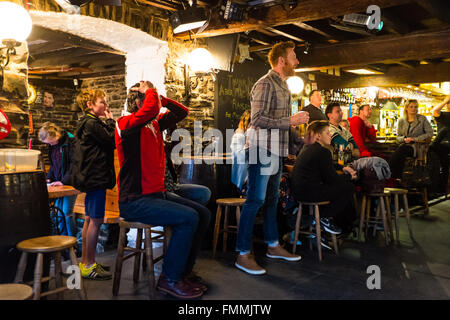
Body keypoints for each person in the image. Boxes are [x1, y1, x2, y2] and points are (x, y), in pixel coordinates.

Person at [116, 81, 210, 299]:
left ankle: (182, 272)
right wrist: (150, 90)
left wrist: (162, 100)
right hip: (135, 200)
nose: (155, 103)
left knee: (203, 214)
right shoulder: (126, 124)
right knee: (189, 218)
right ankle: (170, 278)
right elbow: (149, 109)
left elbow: (181, 111)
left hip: (155, 195)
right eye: (151, 100)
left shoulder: (153, 124)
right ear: (140, 102)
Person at [235, 41, 309, 276]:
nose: (297, 61)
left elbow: (281, 124)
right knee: (255, 200)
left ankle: (273, 245)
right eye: (293, 56)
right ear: (281, 61)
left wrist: (301, 141)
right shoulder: (265, 84)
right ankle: (243, 253)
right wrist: (291, 121)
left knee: (271, 200)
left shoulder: (284, 87)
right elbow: (256, 119)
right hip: (260, 150)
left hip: (275, 151)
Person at [72, 89, 116, 280]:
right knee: (95, 220)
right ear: (89, 104)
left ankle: (85, 263)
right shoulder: (92, 123)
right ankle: (89, 265)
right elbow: (111, 140)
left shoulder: (85, 122)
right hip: (96, 177)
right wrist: (111, 121)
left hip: (90, 177)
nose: (105, 105)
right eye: (101, 102)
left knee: (89, 218)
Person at [291, 120, 357, 235]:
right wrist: (350, 177)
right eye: (327, 133)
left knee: (342, 187)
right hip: (310, 193)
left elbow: (327, 164)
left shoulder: (307, 148)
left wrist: (342, 168)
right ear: (318, 136)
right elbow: (332, 179)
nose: (330, 135)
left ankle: (324, 222)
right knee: (348, 187)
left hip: (298, 193)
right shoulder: (322, 151)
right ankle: (323, 218)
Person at [39, 122, 76, 236]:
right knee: (58, 214)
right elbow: (54, 164)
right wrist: (49, 177)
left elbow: (74, 164)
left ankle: (72, 242)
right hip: (58, 184)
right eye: (48, 143)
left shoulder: (71, 141)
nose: (50, 145)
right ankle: (63, 241)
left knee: (67, 213)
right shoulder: (53, 145)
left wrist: (64, 181)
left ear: (56, 135)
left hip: (71, 183)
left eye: (51, 142)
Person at [389, 99, 433, 180]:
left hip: (417, 147)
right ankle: (397, 179)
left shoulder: (422, 119)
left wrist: (414, 139)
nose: (414, 109)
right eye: (411, 107)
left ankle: (392, 178)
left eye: (416, 107)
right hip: (404, 145)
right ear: (406, 108)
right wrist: (404, 139)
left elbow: (430, 133)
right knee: (398, 154)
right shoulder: (401, 120)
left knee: (401, 151)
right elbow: (398, 137)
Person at [430, 95, 450, 194]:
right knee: (443, 165)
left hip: (444, 145)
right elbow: (434, 110)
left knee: (444, 165)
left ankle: (441, 189)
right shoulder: (442, 115)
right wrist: (445, 100)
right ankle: (440, 190)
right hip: (441, 145)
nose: (449, 104)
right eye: (448, 102)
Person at [230, 110, 251, 192]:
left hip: (248, 175)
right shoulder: (239, 135)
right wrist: (248, 146)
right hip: (242, 178)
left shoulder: (246, 134)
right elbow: (239, 157)